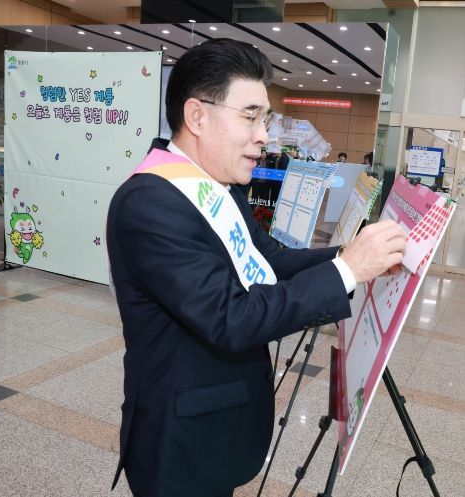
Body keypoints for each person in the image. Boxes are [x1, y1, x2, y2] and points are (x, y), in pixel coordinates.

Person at [106, 38, 406, 497]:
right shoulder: (150, 202)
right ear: (197, 116)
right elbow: (231, 318)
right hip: (181, 445)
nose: (264, 135)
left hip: (215, 430)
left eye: (265, 119)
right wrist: (347, 271)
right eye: (250, 117)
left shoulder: (219, 186)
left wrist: (349, 258)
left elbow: (269, 259)